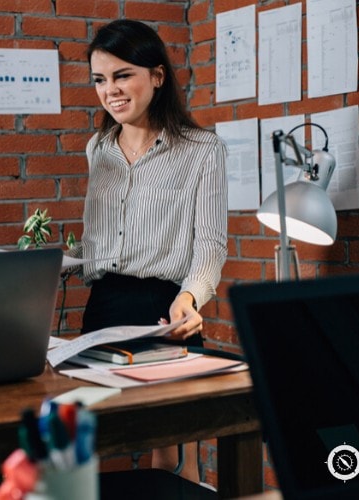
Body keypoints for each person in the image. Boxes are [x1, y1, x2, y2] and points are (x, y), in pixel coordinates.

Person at [77, 20, 228, 483]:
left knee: (172, 456)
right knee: (91, 444)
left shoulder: (203, 149)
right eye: (100, 79)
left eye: (123, 75)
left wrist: (190, 298)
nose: (110, 91)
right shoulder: (97, 148)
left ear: (157, 77)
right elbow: (100, 237)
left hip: (165, 307)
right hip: (103, 305)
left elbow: (211, 243)